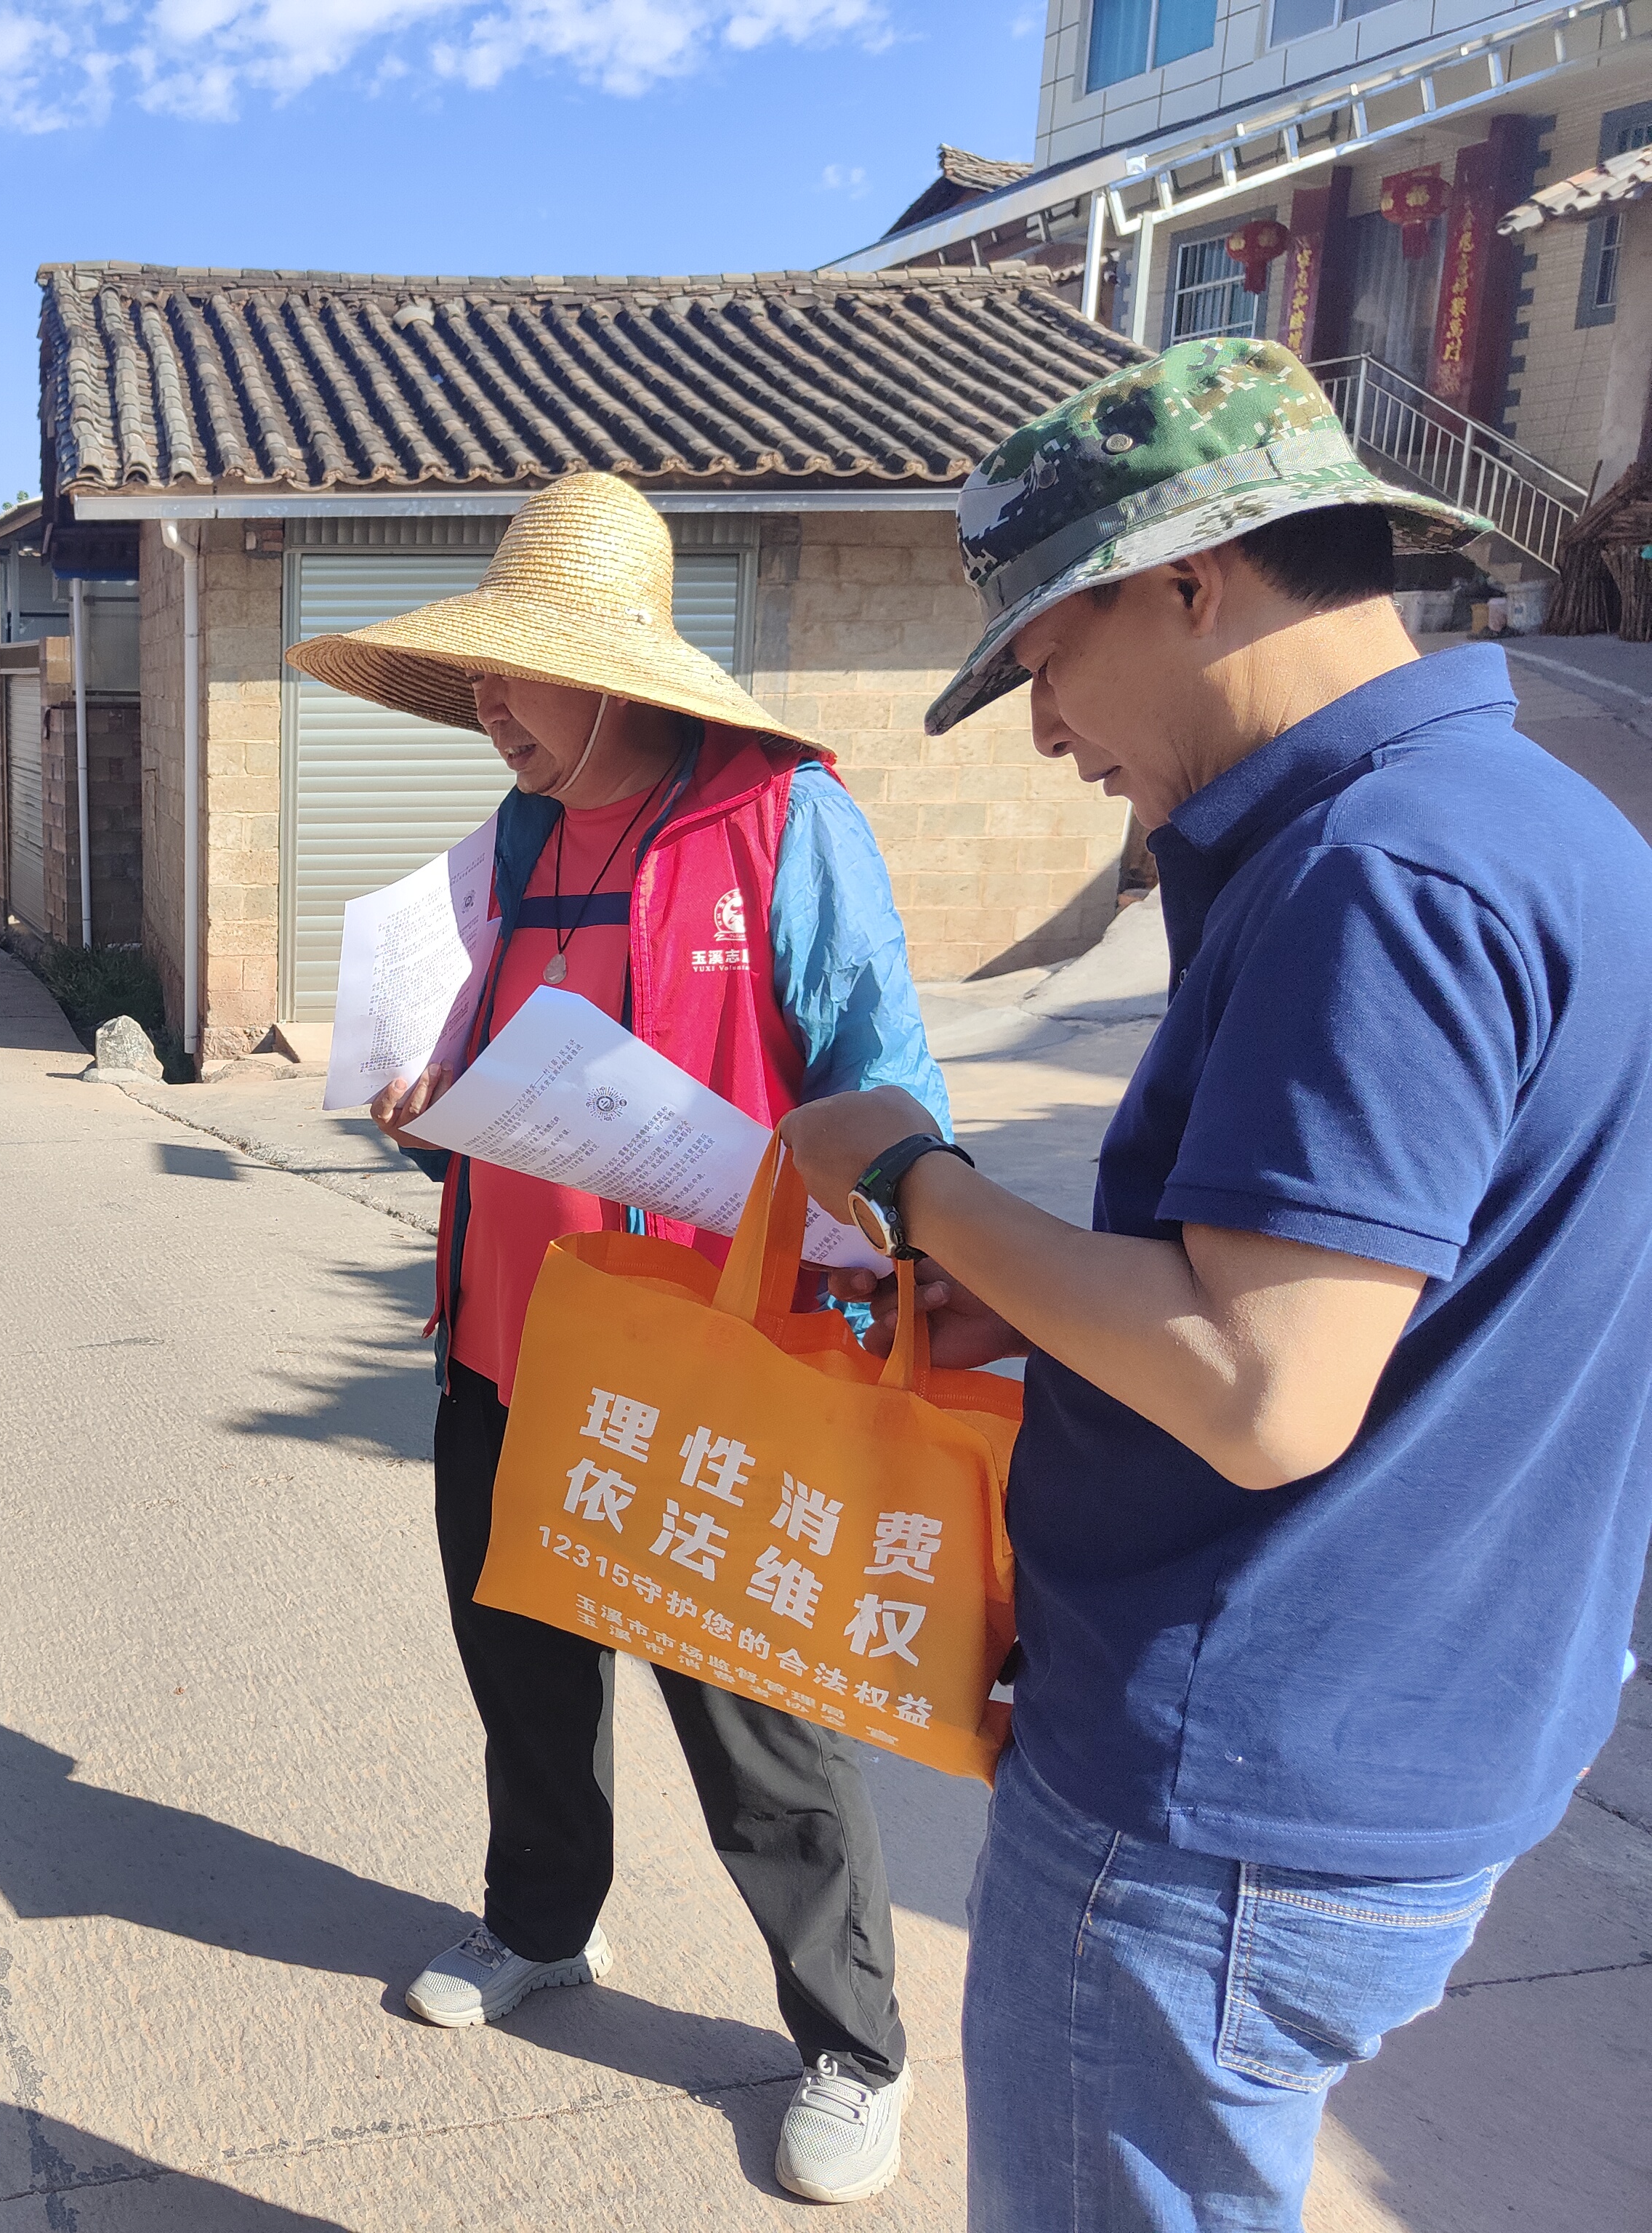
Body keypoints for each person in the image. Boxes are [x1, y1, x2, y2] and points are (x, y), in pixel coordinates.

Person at [778, 338, 1652, 2232]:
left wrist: (916, 1181)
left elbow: (1264, 1390)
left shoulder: (1377, 877)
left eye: (1044, 658)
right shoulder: (1534, 824)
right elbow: (1391, 1303)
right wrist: (1049, 1300)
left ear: (1191, 580)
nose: (1041, 730)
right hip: (1427, 1724)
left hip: (1233, 1798)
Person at [287, 470, 948, 2205]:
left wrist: (885, 1272)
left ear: (611, 671)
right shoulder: (509, 847)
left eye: (512, 671)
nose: (484, 704)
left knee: (754, 1724)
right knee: (519, 1673)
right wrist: (423, 1111)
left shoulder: (779, 821)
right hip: (505, 1347)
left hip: (704, 1365)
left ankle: (853, 2046)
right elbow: (487, 1092)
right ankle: (539, 1925)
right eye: (476, 673)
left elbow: (884, 1087)